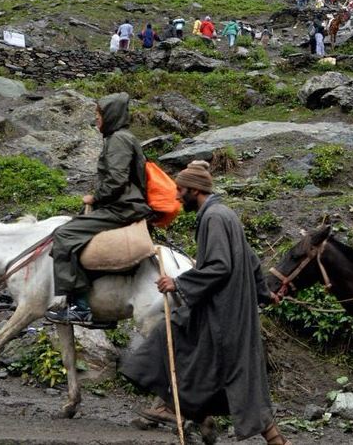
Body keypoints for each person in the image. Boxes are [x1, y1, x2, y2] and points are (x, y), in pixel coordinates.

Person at [121, 161, 290, 445]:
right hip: (232, 311)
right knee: (213, 366)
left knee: (172, 338)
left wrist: (178, 283)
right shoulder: (225, 214)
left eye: (180, 190)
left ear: (195, 190)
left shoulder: (213, 218)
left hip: (220, 313)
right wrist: (265, 295)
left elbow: (219, 266)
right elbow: (250, 260)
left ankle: (170, 406)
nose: (176, 196)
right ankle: (184, 410)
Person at [46, 94, 153, 325]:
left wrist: (95, 197)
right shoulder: (122, 138)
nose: (96, 120)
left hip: (122, 208)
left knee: (65, 234)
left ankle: (80, 307)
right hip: (125, 206)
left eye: (99, 115)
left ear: (111, 116)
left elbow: (116, 179)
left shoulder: (118, 140)